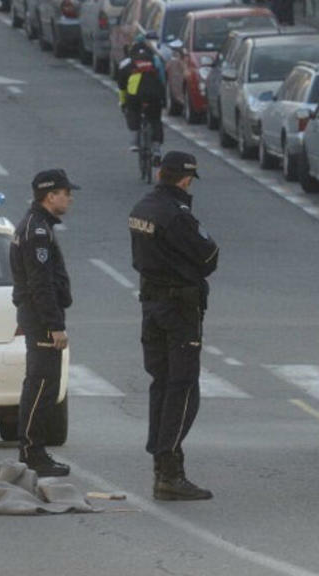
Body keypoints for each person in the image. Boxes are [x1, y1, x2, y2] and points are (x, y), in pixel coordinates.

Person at [128, 152, 218, 500]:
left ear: (159, 174)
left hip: (151, 305)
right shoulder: (177, 214)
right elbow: (209, 256)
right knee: (183, 389)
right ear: (185, 179)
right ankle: (168, 469)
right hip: (180, 309)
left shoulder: (142, 207)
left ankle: (163, 467)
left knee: (162, 384)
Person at [9, 169, 78, 477]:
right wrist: (54, 325)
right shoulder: (36, 231)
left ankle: (34, 450)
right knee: (41, 386)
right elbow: (41, 284)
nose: (70, 199)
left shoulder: (37, 225)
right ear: (51, 196)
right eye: (66, 193)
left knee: (41, 384)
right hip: (40, 319)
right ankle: (32, 452)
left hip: (37, 316)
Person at [116, 40, 166, 162]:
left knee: (132, 111)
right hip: (154, 93)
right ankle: (156, 149)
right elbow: (163, 79)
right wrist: (163, 98)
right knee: (155, 119)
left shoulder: (127, 62)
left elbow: (122, 87)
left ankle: (134, 141)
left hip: (134, 94)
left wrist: (123, 102)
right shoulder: (155, 60)